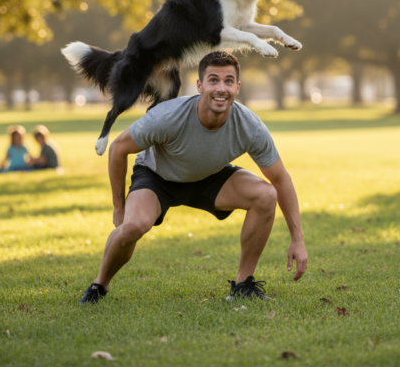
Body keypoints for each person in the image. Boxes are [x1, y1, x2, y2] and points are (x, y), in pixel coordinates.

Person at [78, 51, 308, 305]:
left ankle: (243, 285)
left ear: (237, 87)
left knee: (266, 195)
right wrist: (119, 207)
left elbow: (281, 179)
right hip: (158, 177)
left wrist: (297, 238)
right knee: (133, 226)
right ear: (200, 85)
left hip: (208, 176)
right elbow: (118, 148)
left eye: (228, 81)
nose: (221, 88)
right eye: (213, 80)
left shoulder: (249, 126)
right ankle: (100, 285)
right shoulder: (168, 116)